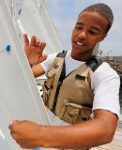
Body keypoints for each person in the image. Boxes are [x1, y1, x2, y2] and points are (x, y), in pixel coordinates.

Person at [9, 3, 120, 149]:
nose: (81, 35)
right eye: (79, 27)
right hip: (41, 142)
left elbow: (105, 130)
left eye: (92, 32)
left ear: (103, 36)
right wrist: (28, 62)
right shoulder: (54, 59)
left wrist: (40, 135)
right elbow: (22, 78)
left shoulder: (104, 75)